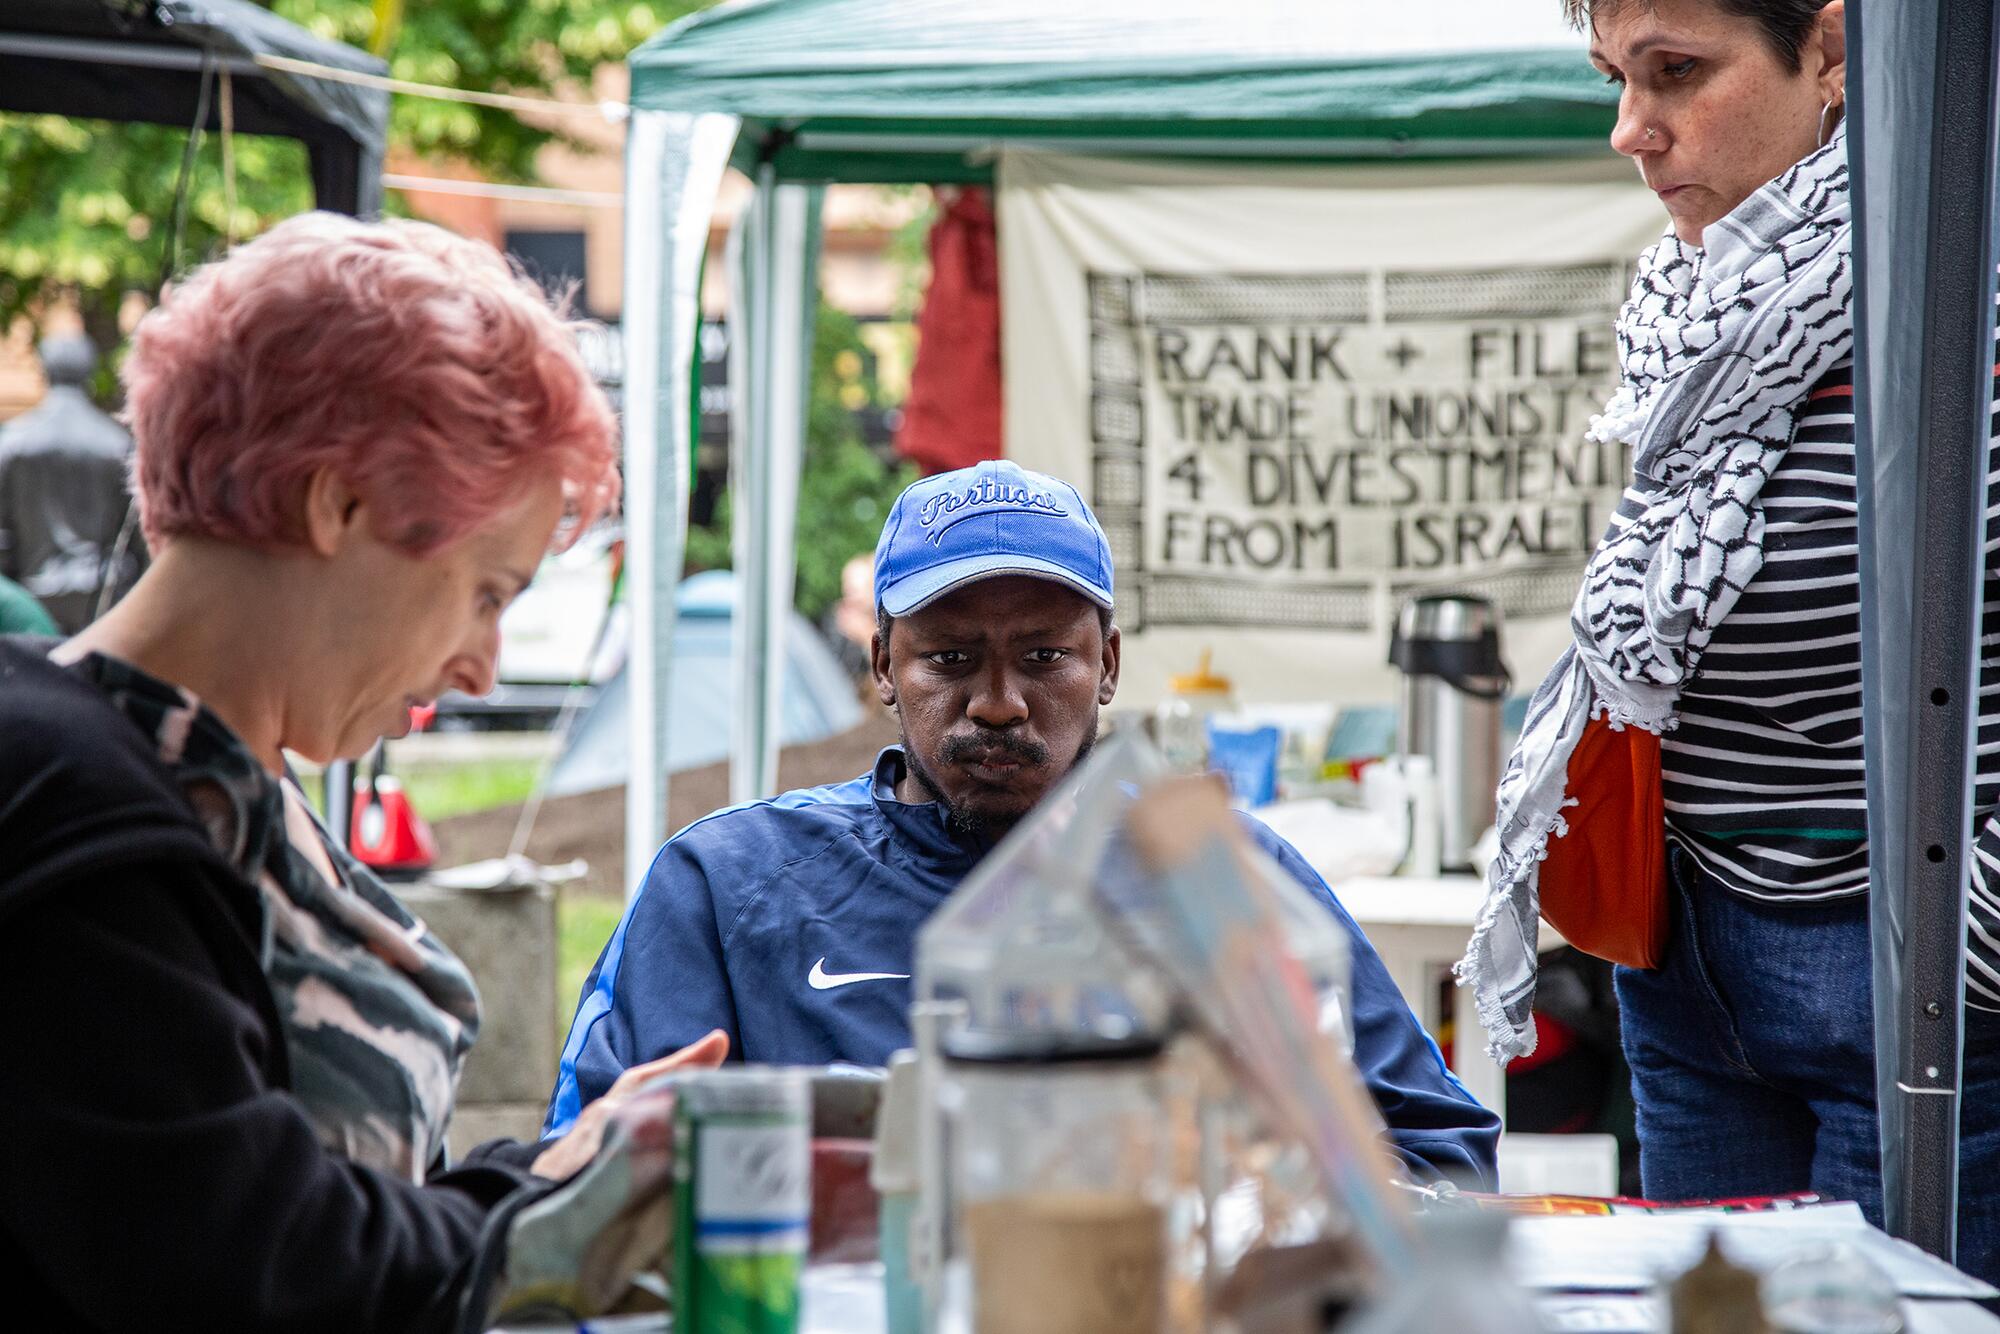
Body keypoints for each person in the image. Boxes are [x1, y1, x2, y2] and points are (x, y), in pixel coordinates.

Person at [0, 213, 728, 1331]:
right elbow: (261, 1263)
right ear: (336, 502)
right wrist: (556, 1192)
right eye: (487, 588)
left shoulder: (191, 766)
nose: (484, 667)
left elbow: (316, 1199)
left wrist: (555, 1168)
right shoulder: (73, 804)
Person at [548, 459, 1501, 1186]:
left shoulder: (1225, 877)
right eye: (951, 658)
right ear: (884, 665)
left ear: (1110, 665)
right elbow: (589, 1181)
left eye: (1045, 656)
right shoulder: (727, 883)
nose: (999, 703)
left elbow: (1438, 1154)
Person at [1462, 0, 2000, 1282]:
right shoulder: (1701, 297)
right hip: (1687, 959)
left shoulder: (1954, 300)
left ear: (1828, 55)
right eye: (1613, 78)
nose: (1627, 131)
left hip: (1900, 977)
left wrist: (1958, 951)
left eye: (1675, 73)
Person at [0, 332, 146, 632]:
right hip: (103, 601)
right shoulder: (117, 443)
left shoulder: (13, 442)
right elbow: (136, 537)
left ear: (45, 369)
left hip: (32, 599)